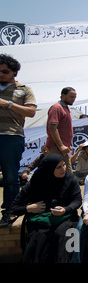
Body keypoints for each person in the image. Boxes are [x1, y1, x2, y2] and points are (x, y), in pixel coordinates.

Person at [10, 153, 81, 263]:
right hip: (40, 219)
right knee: (38, 237)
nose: (63, 169)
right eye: (58, 167)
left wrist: (66, 210)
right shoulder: (35, 183)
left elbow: (77, 200)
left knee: (66, 235)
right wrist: (29, 208)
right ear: (49, 169)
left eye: (64, 165)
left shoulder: (70, 179)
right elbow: (14, 207)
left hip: (65, 218)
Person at [0, 54, 37, 227]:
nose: (0, 74)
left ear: (14, 72)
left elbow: (30, 112)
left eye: (4, 72)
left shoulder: (24, 89)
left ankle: (9, 211)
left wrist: (7, 104)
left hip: (11, 136)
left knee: (10, 177)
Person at [46, 87, 77, 173]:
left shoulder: (65, 108)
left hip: (62, 148)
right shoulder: (56, 108)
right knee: (59, 174)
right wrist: (61, 146)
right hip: (56, 147)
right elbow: (53, 128)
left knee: (67, 174)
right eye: (71, 97)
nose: (73, 99)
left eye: (74, 97)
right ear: (63, 95)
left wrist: (67, 144)